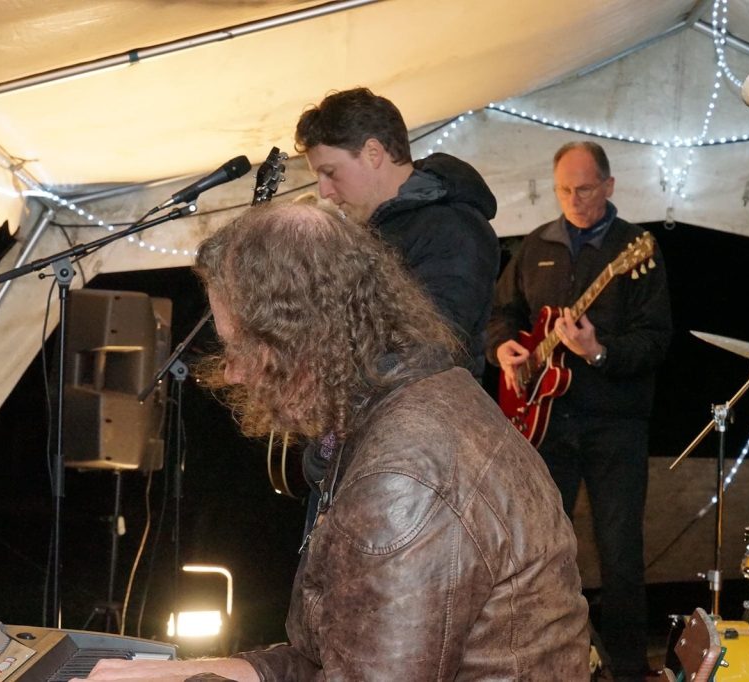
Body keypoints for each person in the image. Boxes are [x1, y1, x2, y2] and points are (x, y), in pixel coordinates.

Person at [79, 202, 590, 681]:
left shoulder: (401, 480)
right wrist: (178, 672)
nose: (231, 372)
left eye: (239, 347)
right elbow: (326, 657)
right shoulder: (415, 395)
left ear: (300, 339)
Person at [487, 141, 672, 682]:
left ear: (609, 186)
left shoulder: (636, 250)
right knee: (543, 550)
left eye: (585, 189)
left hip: (616, 424)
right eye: (564, 189)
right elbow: (501, 314)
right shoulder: (536, 245)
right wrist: (501, 349)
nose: (573, 199)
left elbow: (656, 340)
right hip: (545, 421)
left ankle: (629, 668)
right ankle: (549, 663)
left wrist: (598, 352)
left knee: (620, 552)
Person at [294, 86, 499, 379]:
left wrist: (338, 377)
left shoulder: (451, 228)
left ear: (373, 153)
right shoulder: (370, 232)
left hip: (431, 406)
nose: (324, 191)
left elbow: (430, 348)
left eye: (330, 172)